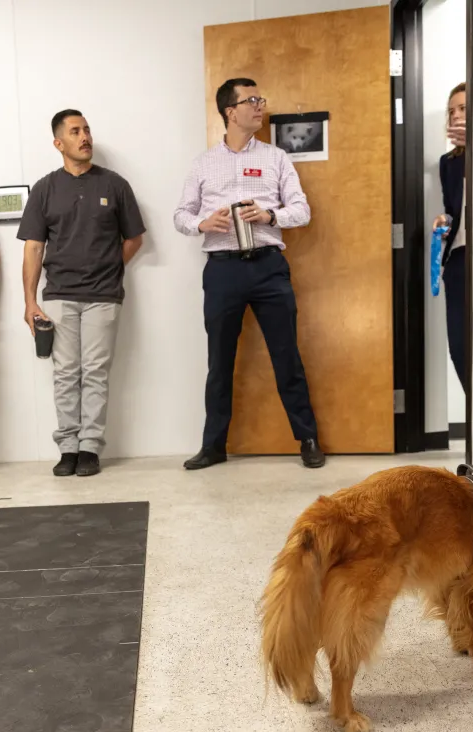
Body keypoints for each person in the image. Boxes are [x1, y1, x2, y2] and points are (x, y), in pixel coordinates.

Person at [173, 77, 325, 471]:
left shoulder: (276, 158)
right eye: (251, 100)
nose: (260, 105)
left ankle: (307, 438)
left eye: (260, 98)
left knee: (286, 355)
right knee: (219, 361)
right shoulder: (203, 163)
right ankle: (214, 446)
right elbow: (180, 215)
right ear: (230, 111)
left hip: (268, 267)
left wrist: (270, 215)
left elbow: (302, 210)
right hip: (222, 271)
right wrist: (203, 224)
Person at [18, 110, 145, 477]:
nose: (85, 136)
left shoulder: (115, 185)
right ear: (59, 143)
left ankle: (90, 447)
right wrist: (30, 301)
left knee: (95, 372)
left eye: (87, 129)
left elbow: (134, 238)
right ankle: (68, 447)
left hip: (104, 295)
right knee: (65, 372)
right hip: (58, 294)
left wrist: (109, 265)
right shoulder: (45, 188)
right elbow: (33, 248)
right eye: (75, 132)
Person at [435, 82, 468, 390]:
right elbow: (453, 209)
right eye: (451, 111)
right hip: (458, 261)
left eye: (463, 109)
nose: (456, 116)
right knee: (459, 349)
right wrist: (444, 220)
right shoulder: (449, 163)